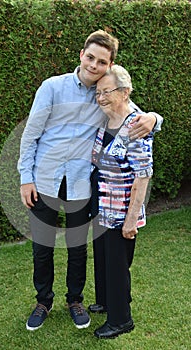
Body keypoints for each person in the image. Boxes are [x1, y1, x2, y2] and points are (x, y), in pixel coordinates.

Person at [18, 30, 162, 331]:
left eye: (101, 61)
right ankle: (43, 301)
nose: (94, 65)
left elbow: (131, 112)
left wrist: (154, 118)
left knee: (76, 247)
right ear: (81, 54)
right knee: (42, 247)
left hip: (81, 184)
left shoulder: (104, 95)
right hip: (44, 180)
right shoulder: (52, 88)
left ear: (109, 65)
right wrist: (25, 178)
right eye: (90, 57)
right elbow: (30, 135)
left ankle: (75, 300)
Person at [90, 64, 154, 339]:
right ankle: (106, 301)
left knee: (117, 264)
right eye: (98, 92)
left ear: (125, 92)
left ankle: (121, 320)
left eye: (107, 92)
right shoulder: (106, 119)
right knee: (103, 258)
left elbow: (143, 176)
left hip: (120, 210)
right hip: (101, 203)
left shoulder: (136, 126)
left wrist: (131, 220)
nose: (101, 97)